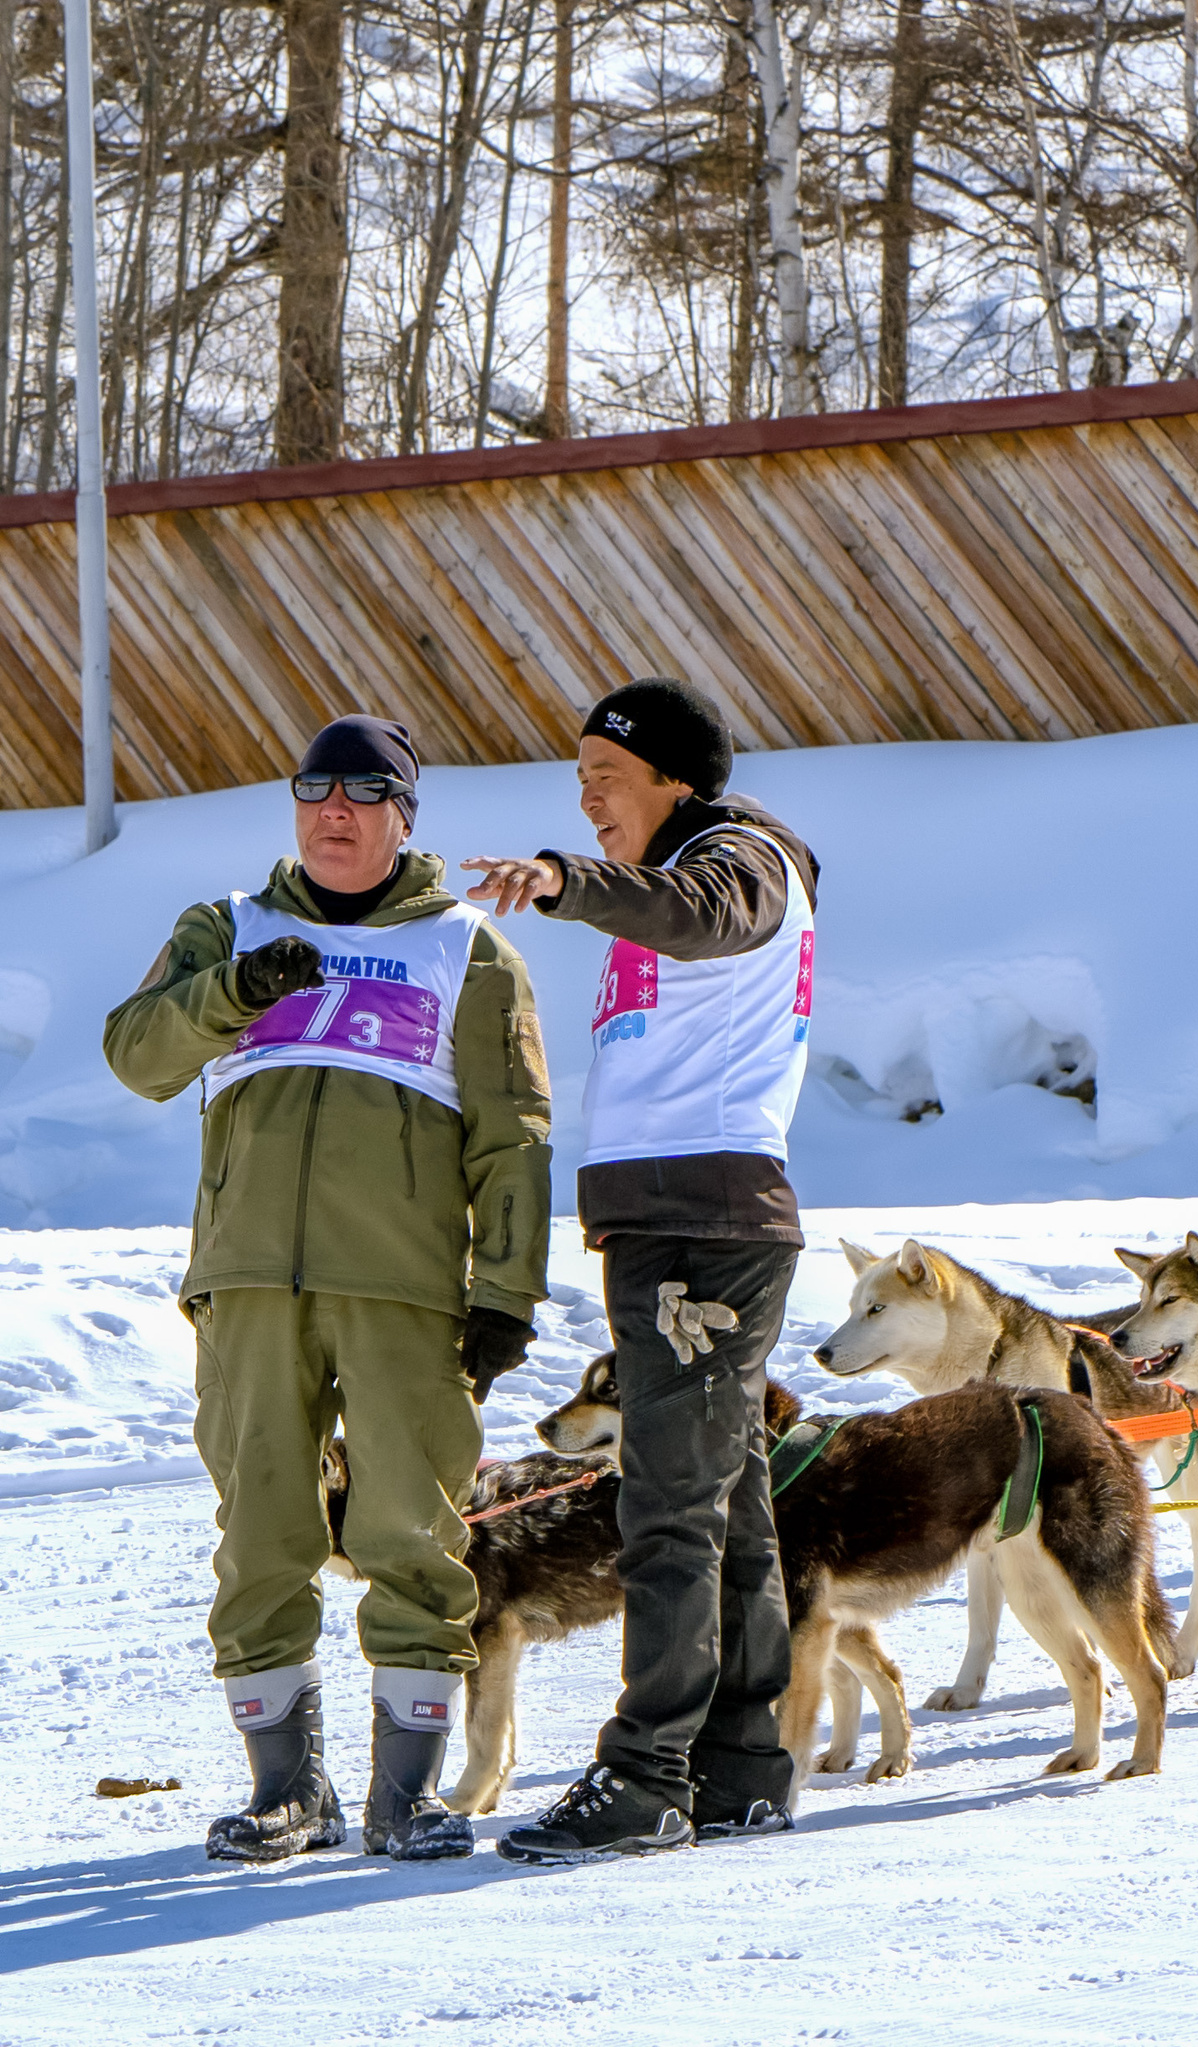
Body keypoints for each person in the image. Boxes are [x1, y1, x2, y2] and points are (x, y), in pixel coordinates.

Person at [103, 716, 553, 1864]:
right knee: (262, 1528)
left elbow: (516, 1138)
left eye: (363, 791)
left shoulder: (468, 946)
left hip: (406, 1290)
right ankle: (286, 1793)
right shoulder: (226, 928)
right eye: (314, 789)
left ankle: (408, 1796)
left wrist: (504, 1289)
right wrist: (234, 992)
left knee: (414, 1528)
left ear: (405, 814)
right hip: (251, 1281)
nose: (334, 809)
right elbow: (136, 1054)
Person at [462, 676, 819, 1864]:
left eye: (604, 777)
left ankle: (646, 1773)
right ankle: (741, 1763)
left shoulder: (741, 860)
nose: (586, 795)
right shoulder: (693, 870)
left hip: (705, 1224)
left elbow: (705, 913)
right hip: (681, 1220)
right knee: (728, 1498)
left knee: (666, 1503)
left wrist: (568, 878)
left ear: (675, 779)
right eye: (576, 779)